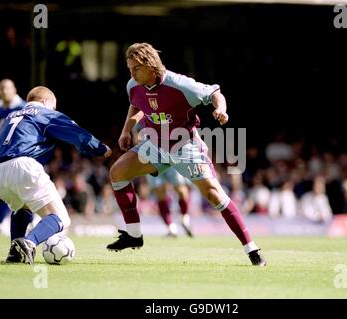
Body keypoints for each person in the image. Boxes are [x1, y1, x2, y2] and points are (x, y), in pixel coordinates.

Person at [106, 42, 266, 266]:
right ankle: (133, 234)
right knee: (118, 172)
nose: (131, 74)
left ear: (151, 66)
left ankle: (252, 249)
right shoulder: (134, 85)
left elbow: (214, 93)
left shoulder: (179, 84)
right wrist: (126, 130)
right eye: (129, 68)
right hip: (154, 144)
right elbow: (136, 104)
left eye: (136, 68)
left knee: (214, 195)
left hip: (185, 146)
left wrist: (221, 109)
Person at [0, 86, 112, 264]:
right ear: (46, 101)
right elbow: (74, 132)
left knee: (22, 207)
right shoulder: (44, 112)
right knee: (61, 218)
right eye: (54, 106)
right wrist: (100, 148)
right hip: (23, 165)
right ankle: (29, 243)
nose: (54, 110)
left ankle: (15, 253)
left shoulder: (11, 116)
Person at [133, 121, 193, 237]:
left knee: (181, 189)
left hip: (170, 154)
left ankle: (184, 218)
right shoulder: (141, 116)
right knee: (160, 193)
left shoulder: (162, 110)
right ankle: (171, 228)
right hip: (151, 158)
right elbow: (136, 138)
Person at [0, 79, 27, 236]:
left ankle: (30, 221)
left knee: (18, 189)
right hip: (2, 153)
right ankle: (2, 223)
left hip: (20, 154)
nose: (4, 91)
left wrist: (0, 128)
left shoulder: (22, 107)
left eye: (7, 88)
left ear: (14, 89)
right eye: (1, 88)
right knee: (5, 189)